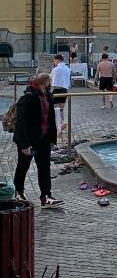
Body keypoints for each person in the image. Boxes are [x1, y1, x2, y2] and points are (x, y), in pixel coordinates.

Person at [12, 73, 63, 208]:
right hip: (29, 140)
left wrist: (55, 130)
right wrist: (24, 144)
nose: (50, 84)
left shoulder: (48, 96)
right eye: (49, 82)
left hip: (43, 139)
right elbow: (22, 123)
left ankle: (46, 196)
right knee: (23, 166)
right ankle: (19, 191)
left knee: (44, 167)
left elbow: (50, 116)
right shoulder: (28, 98)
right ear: (43, 83)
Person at [50, 54, 70, 133]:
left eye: (54, 60)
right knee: (61, 109)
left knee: (54, 109)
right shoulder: (67, 69)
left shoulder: (56, 69)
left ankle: (59, 124)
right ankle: (62, 124)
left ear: (57, 60)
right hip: (65, 90)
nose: (54, 62)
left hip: (57, 90)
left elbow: (52, 80)